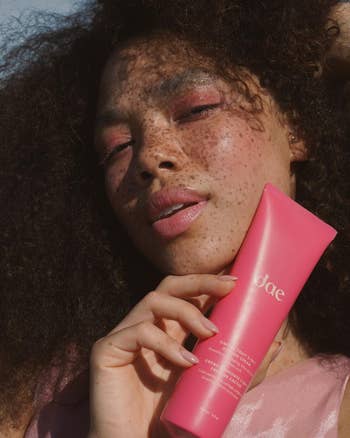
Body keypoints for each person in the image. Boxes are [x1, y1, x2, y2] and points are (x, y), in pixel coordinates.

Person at [0, 1, 349, 437]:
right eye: (116, 148)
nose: (149, 157)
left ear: (297, 127)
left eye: (195, 110)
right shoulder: (33, 397)